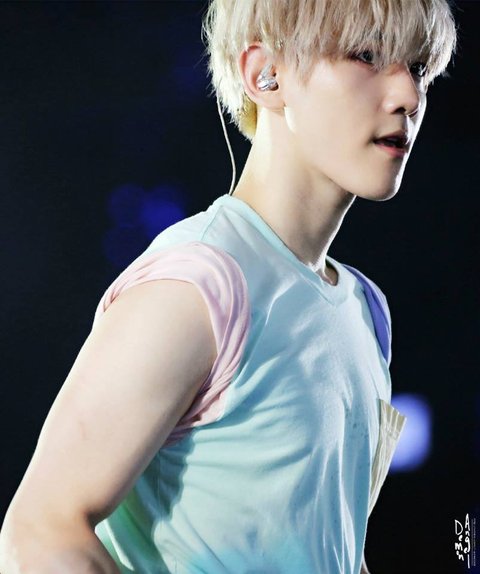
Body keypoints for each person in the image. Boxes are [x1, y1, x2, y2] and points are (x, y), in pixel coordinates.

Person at [0, 0, 458, 573]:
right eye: (365, 56)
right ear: (266, 74)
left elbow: (330, 548)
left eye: (417, 66)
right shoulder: (197, 286)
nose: (409, 95)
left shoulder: (365, 310)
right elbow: (40, 532)